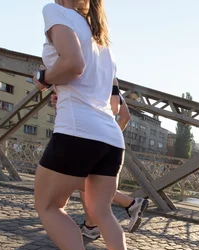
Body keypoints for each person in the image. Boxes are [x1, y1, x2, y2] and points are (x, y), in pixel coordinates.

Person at [33, 0, 136, 250]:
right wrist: (60, 89)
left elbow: (73, 65)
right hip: (110, 137)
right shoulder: (101, 38)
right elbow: (113, 103)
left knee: (48, 206)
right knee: (101, 210)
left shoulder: (56, 12)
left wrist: (43, 79)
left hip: (78, 131)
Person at [50, 88, 149, 238]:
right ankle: (91, 226)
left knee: (68, 178)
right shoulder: (108, 85)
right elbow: (125, 117)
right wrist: (111, 136)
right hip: (108, 144)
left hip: (85, 138)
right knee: (85, 182)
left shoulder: (89, 84)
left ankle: (130, 203)